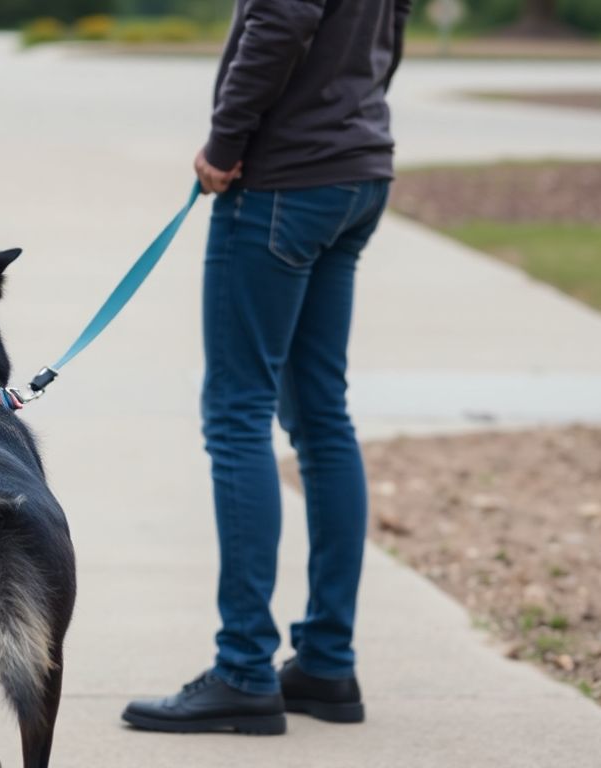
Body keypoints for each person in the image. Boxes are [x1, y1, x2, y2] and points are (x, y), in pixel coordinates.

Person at [121, 0, 413, 736]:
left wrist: (225, 143)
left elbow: (280, 20)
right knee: (321, 417)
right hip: (354, 172)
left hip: (285, 181)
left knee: (237, 414)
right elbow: (394, 23)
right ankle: (325, 662)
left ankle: (246, 668)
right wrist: (353, 107)